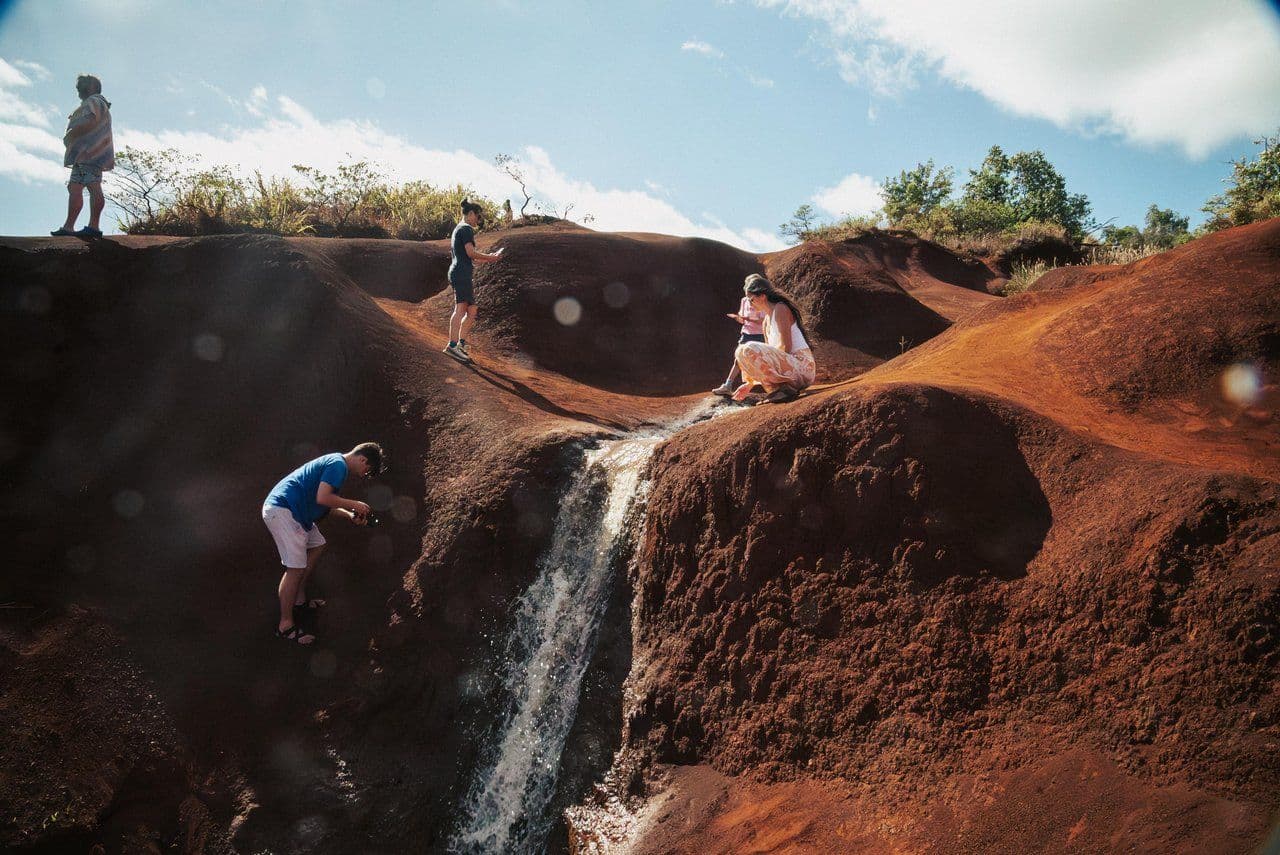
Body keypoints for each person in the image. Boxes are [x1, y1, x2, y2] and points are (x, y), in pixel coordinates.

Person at [262, 443, 384, 644]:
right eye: (367, 470)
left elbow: (323, 502)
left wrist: (349, 514)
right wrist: (354, 504)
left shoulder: (334, 462)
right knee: (295, 569)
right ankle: (285, 625)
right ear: (363, 459)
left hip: (295, 512)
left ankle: (299, 601)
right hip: (283, 510)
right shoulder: (338, 465)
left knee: (318, 545)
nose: (364, 474)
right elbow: (324, 497)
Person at [733, 274, 816, 404]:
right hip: (788, 369)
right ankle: (781, 390)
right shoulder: (766, 321)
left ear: (762, 296)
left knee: (748, 348)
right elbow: (768, 356)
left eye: (751, 299)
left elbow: (785, 347)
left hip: (802, 367)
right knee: (740, 352)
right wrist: (751, 384)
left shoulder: (780, 309)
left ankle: (785, 388)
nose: (749, 304)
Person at [51, 74, 114, 238]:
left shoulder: (95, 102)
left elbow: (91, 121)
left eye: (82, 86)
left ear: (92, 87)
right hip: (83, 156)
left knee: (93, 186)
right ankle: (69, 226)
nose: (79, 89)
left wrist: (72, 134)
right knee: (75, 188)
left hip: (91, 154)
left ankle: (93, 226)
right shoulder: (93, 103)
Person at [444, 199, 506, 362]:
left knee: (471, 311)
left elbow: (469, 256)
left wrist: (489, 258)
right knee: (461, 309)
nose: (479, 220)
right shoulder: (466, 229)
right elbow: (471, 253)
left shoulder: (460, 229)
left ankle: (460, 345)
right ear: (470, 214)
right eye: (478, 217)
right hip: (461, 273)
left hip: (461, 272)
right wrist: (490, 258)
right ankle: (452, 345)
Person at [712, 289, 768, 396]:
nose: (748, 299)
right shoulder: (744, 300)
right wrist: (737, 318)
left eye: (750, 296)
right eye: (746, 295)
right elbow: (743, 321)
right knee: (738, 358)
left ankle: (773, 386)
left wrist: (748, 318)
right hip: (747, 333)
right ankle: (727, 386)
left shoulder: (762, 300)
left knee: (763, 360)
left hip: (760, 334)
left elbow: (763, 321)